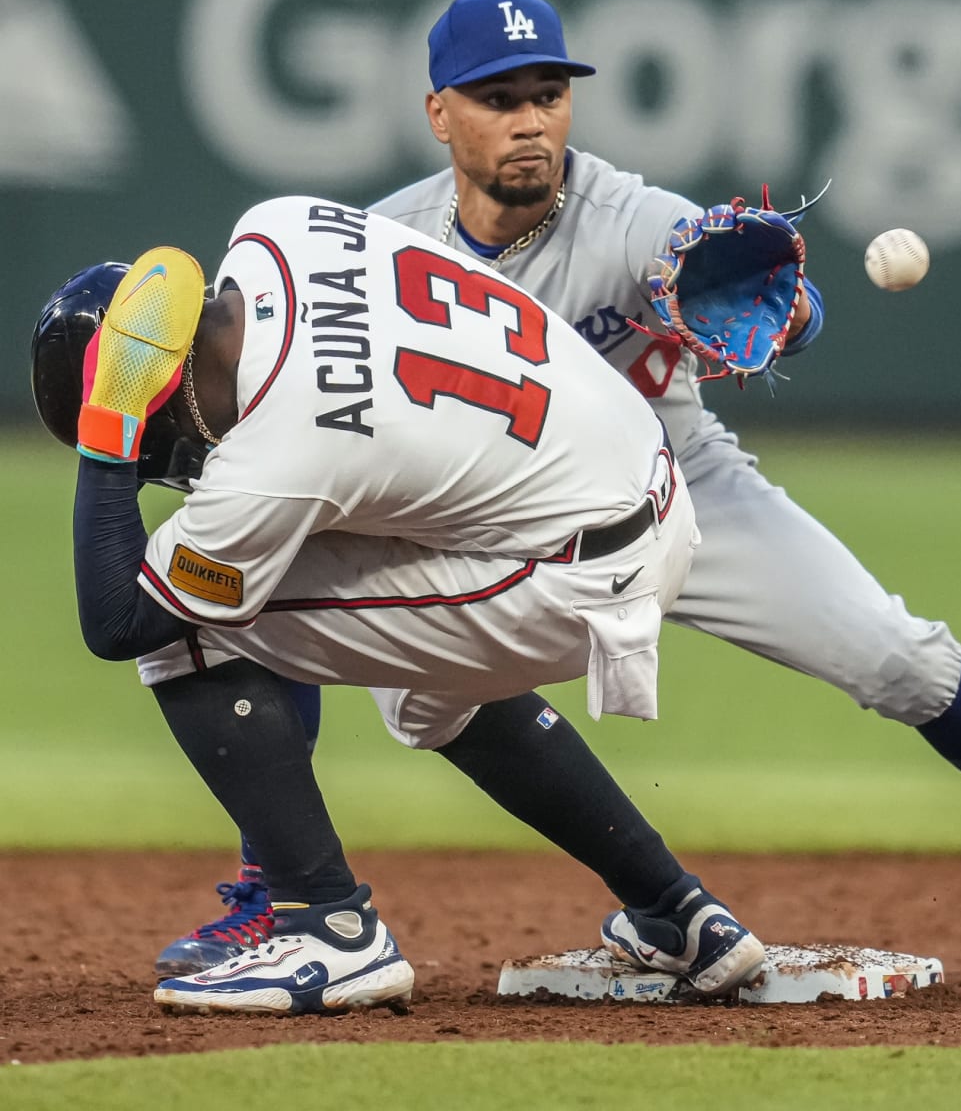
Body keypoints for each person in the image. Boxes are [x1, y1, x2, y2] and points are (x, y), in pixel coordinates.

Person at [161, 0, 961, 997]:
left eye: (547, 93)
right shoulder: (383, 241)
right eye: (497, 97)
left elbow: (772, 292)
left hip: (679, 488)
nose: (529, 119)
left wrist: (778, 314)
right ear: (439, 112)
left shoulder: (626, 216)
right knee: (281, 591)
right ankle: (285, 884)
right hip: (489, 524)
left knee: (897, 655)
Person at [32, 200, 770, 1013]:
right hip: (640, 477)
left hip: (577, 568)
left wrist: (110, 431)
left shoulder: (280, 449)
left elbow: (116, 621)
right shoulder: (278, 225)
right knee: (425, 675)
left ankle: (330, 930)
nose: (171, 462)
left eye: (155, 441)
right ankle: (681, 916)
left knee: (184, 626)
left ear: (162, 395)